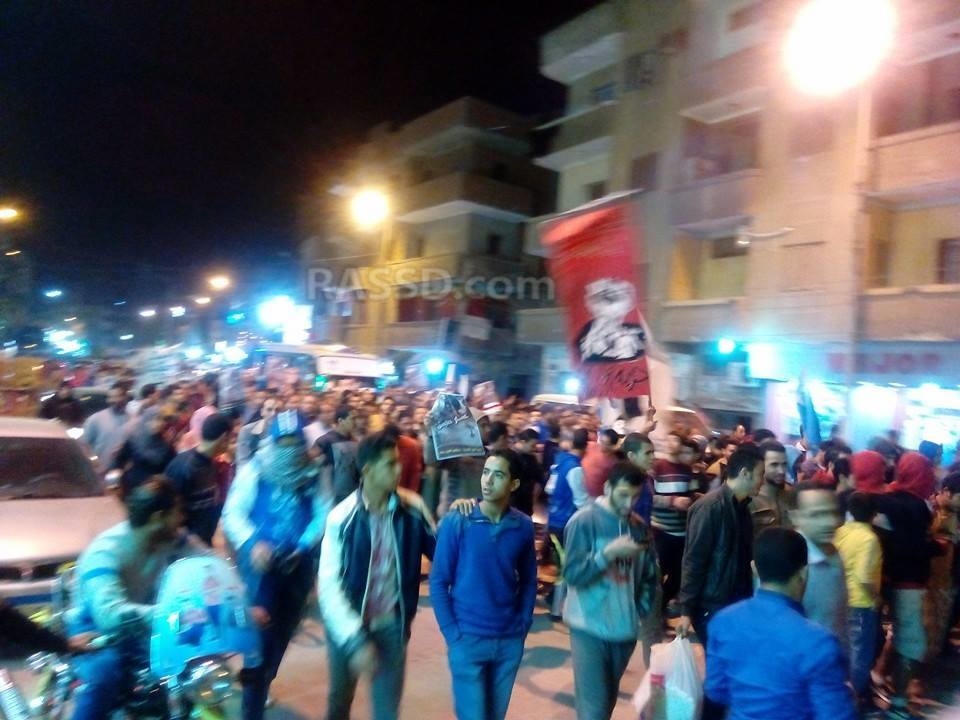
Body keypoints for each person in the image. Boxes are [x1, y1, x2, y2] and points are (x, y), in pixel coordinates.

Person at [319, 429, 437, 720]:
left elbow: (443, 554)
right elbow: (328, 586)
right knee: (339, 702)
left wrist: (462, 518)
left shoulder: (413, 509)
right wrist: (353, 639)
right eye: (390, 464)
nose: (399, 469)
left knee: (387, 711)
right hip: (349, 625)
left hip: (392, 625)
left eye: (399, 462)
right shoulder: (341, 518)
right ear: (368, 470)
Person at [221, 410, 331, 720]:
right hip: (261, 570)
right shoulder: (255, 470)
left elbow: (323, 512)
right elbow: (233, 513)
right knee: (259, 637)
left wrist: (304, 544)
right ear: (272, 443)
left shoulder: (313, 474)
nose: (289, 450)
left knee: (284, 632)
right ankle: (252, 705)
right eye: (283, 443)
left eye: (295, 443)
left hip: (298, 566)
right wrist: (252, 542)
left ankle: (263, 682)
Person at [68, 478, 203, 720]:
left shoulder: (172, 539)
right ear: (157, 518)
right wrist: (173, 613)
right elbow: (109, 615)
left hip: (143, 619)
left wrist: (240, 601)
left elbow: (208, 563)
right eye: (177, 512)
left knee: (188, 666)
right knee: (104, 675)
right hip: (93, 626)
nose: (182, 518)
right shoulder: (105, 552)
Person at [704, 527, 857, 720]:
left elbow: (716, 690)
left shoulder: (722, 622)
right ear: (804, 573)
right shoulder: (819, 642)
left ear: (754, 569)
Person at [429, 449, 537, 720]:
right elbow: (439, 581)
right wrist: (453, 635)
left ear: (513, 484)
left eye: (498, 475)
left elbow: (528, 581)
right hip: (468, 638)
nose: (487, 480)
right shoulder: (459, 520)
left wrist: (523, 624)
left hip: (508, 640)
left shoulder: (523, 526)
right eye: (486, 472)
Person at [563, 461, 658, 720]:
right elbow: (572, 575)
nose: (629, 504)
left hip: (624, 631)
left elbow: (650, 577)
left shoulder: (639, 528)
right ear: (608, 488)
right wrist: (607, 554)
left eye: (635, 497)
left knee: (605, 704)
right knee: (593, 710)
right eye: (623, 495)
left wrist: (639, 611)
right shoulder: (584, 522)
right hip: (588, 628)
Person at [872, 452, 941, 720]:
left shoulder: (886, 498)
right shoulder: (914, 506)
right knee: (913, 643)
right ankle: (899, 703)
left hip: (884, 581)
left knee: (895, 637)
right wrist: (935, 547)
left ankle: (883, 685)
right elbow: (910, 546)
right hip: (909, 582)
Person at [676, 443, 764, 645]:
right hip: (712, 606)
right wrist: (686, 610)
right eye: (761, 474)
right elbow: (694, 560)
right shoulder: (710, 508)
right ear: (745, 473)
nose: (762, 481)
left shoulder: (743, 508)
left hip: (734, 602)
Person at [834, 491, 883, 709]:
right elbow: (864, 577)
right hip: (861, 603)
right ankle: (852, 703)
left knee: (844, 652)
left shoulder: (840, 532)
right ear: (874, 514)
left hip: (840, 600)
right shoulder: (869, 539)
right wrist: (876, 597)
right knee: (860, 656)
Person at [790, 484, 848, 654]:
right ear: (795, 517)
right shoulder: (786, 564)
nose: (830, 522)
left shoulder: (834, 554)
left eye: (833, 513)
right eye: (817, 515)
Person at [165, 412, 233, 545]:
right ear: (224, 437)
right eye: (230, 439)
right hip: (185, 546)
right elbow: (168, 512)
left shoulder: (211, 463)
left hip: (203, 543)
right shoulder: (184, 467)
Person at [111, 405, 178, 498]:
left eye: (162, 420)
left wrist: (161, 480)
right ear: (146, 420)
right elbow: (118, 462)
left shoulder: (165, 445)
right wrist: (117, 483)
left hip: (156, 493)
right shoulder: (134, 439)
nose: (159, 423)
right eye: (155, 419)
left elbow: (172, 470)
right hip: (133, 489)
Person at [546, 427, 590, 546]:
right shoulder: (575, 469)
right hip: (566, 522)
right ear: (586, 447)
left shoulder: (559, 461)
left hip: (553, 517)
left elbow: (549, 488)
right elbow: (582, 502)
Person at [315, 405, 360, 504]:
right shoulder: (325, 441)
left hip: (351, 494)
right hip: (332, 497)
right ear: (340, 421)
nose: (356, 422)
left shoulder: (355, 441)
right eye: (352, 419)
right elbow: (313, 463)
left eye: (357, 418)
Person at [750, 439, 794, 537]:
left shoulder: (789, 494)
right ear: (761, 465)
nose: (781, 471)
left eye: (784, 464)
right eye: (774, 465)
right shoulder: (749, 499)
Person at [82, 382, 130, 467]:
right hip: (98, 469)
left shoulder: (131, 419)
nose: (112, 400)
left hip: (120, 471)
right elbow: (84, 445)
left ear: (125, 397)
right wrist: (93, 460)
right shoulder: (96, 419)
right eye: (110, 397)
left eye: (117, 396)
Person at [236, 394, 281, 468]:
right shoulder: (247, 431)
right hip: (253, 472)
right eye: (269, 410)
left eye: (278, 410)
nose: (273, 414)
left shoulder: (289, 431)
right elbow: (242, 462)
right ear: (262, 412)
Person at [510, 428, 541, 516]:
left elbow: (539, 479)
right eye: (532, 445)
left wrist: (533, 499)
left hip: (527, 504)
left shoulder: (532, 459)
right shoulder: (512, 457)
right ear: (523, 442)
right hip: (513, 504)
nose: (535, 448)